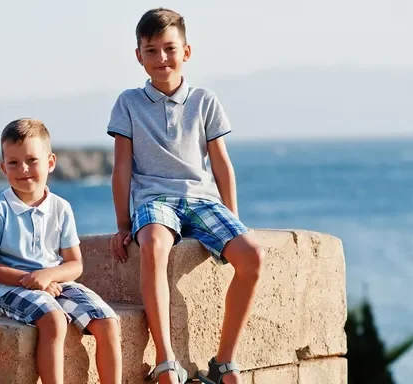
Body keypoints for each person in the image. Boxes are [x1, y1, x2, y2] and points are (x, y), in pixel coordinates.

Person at [107, 8, 265, 384]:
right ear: (138, 55)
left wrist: (235, 217)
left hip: (202, 200)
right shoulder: (127, 103)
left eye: (169, 48)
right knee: (154, 247)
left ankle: (224, 361)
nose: (161, 59)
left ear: (186, 51)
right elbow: (121, 168)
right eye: (151, 51)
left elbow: (222, 164)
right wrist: (122, 225)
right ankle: (166, 360)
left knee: (252, 255)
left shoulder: (205, 100)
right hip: (155, 201)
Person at [0, 118, 122, 384]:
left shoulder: (61, 208)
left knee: (108, 322)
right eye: (14, 163)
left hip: (55, 282)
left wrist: (48, 277)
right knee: (54, 320)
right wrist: (31, 280)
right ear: (3, 167)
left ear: (50, 162)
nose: (23, 169)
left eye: (32, 160)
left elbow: (75, 264)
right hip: (11, 288)